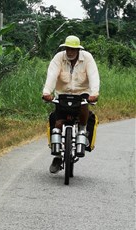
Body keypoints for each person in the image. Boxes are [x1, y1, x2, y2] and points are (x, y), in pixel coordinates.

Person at [42, 35, 100, 173]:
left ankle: (82, 130)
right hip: (62, 94)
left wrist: (94, 93)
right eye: (68, 48)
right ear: (65, 48)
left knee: (84, 109)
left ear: (79, 50)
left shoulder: (87, 58)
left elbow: (94, 75)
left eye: (73, 49)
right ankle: (57, 156)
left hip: (82, 94)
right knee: (57, 123)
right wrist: (47, 92)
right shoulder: (58, 58)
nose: (70, 52)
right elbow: (51, 75)